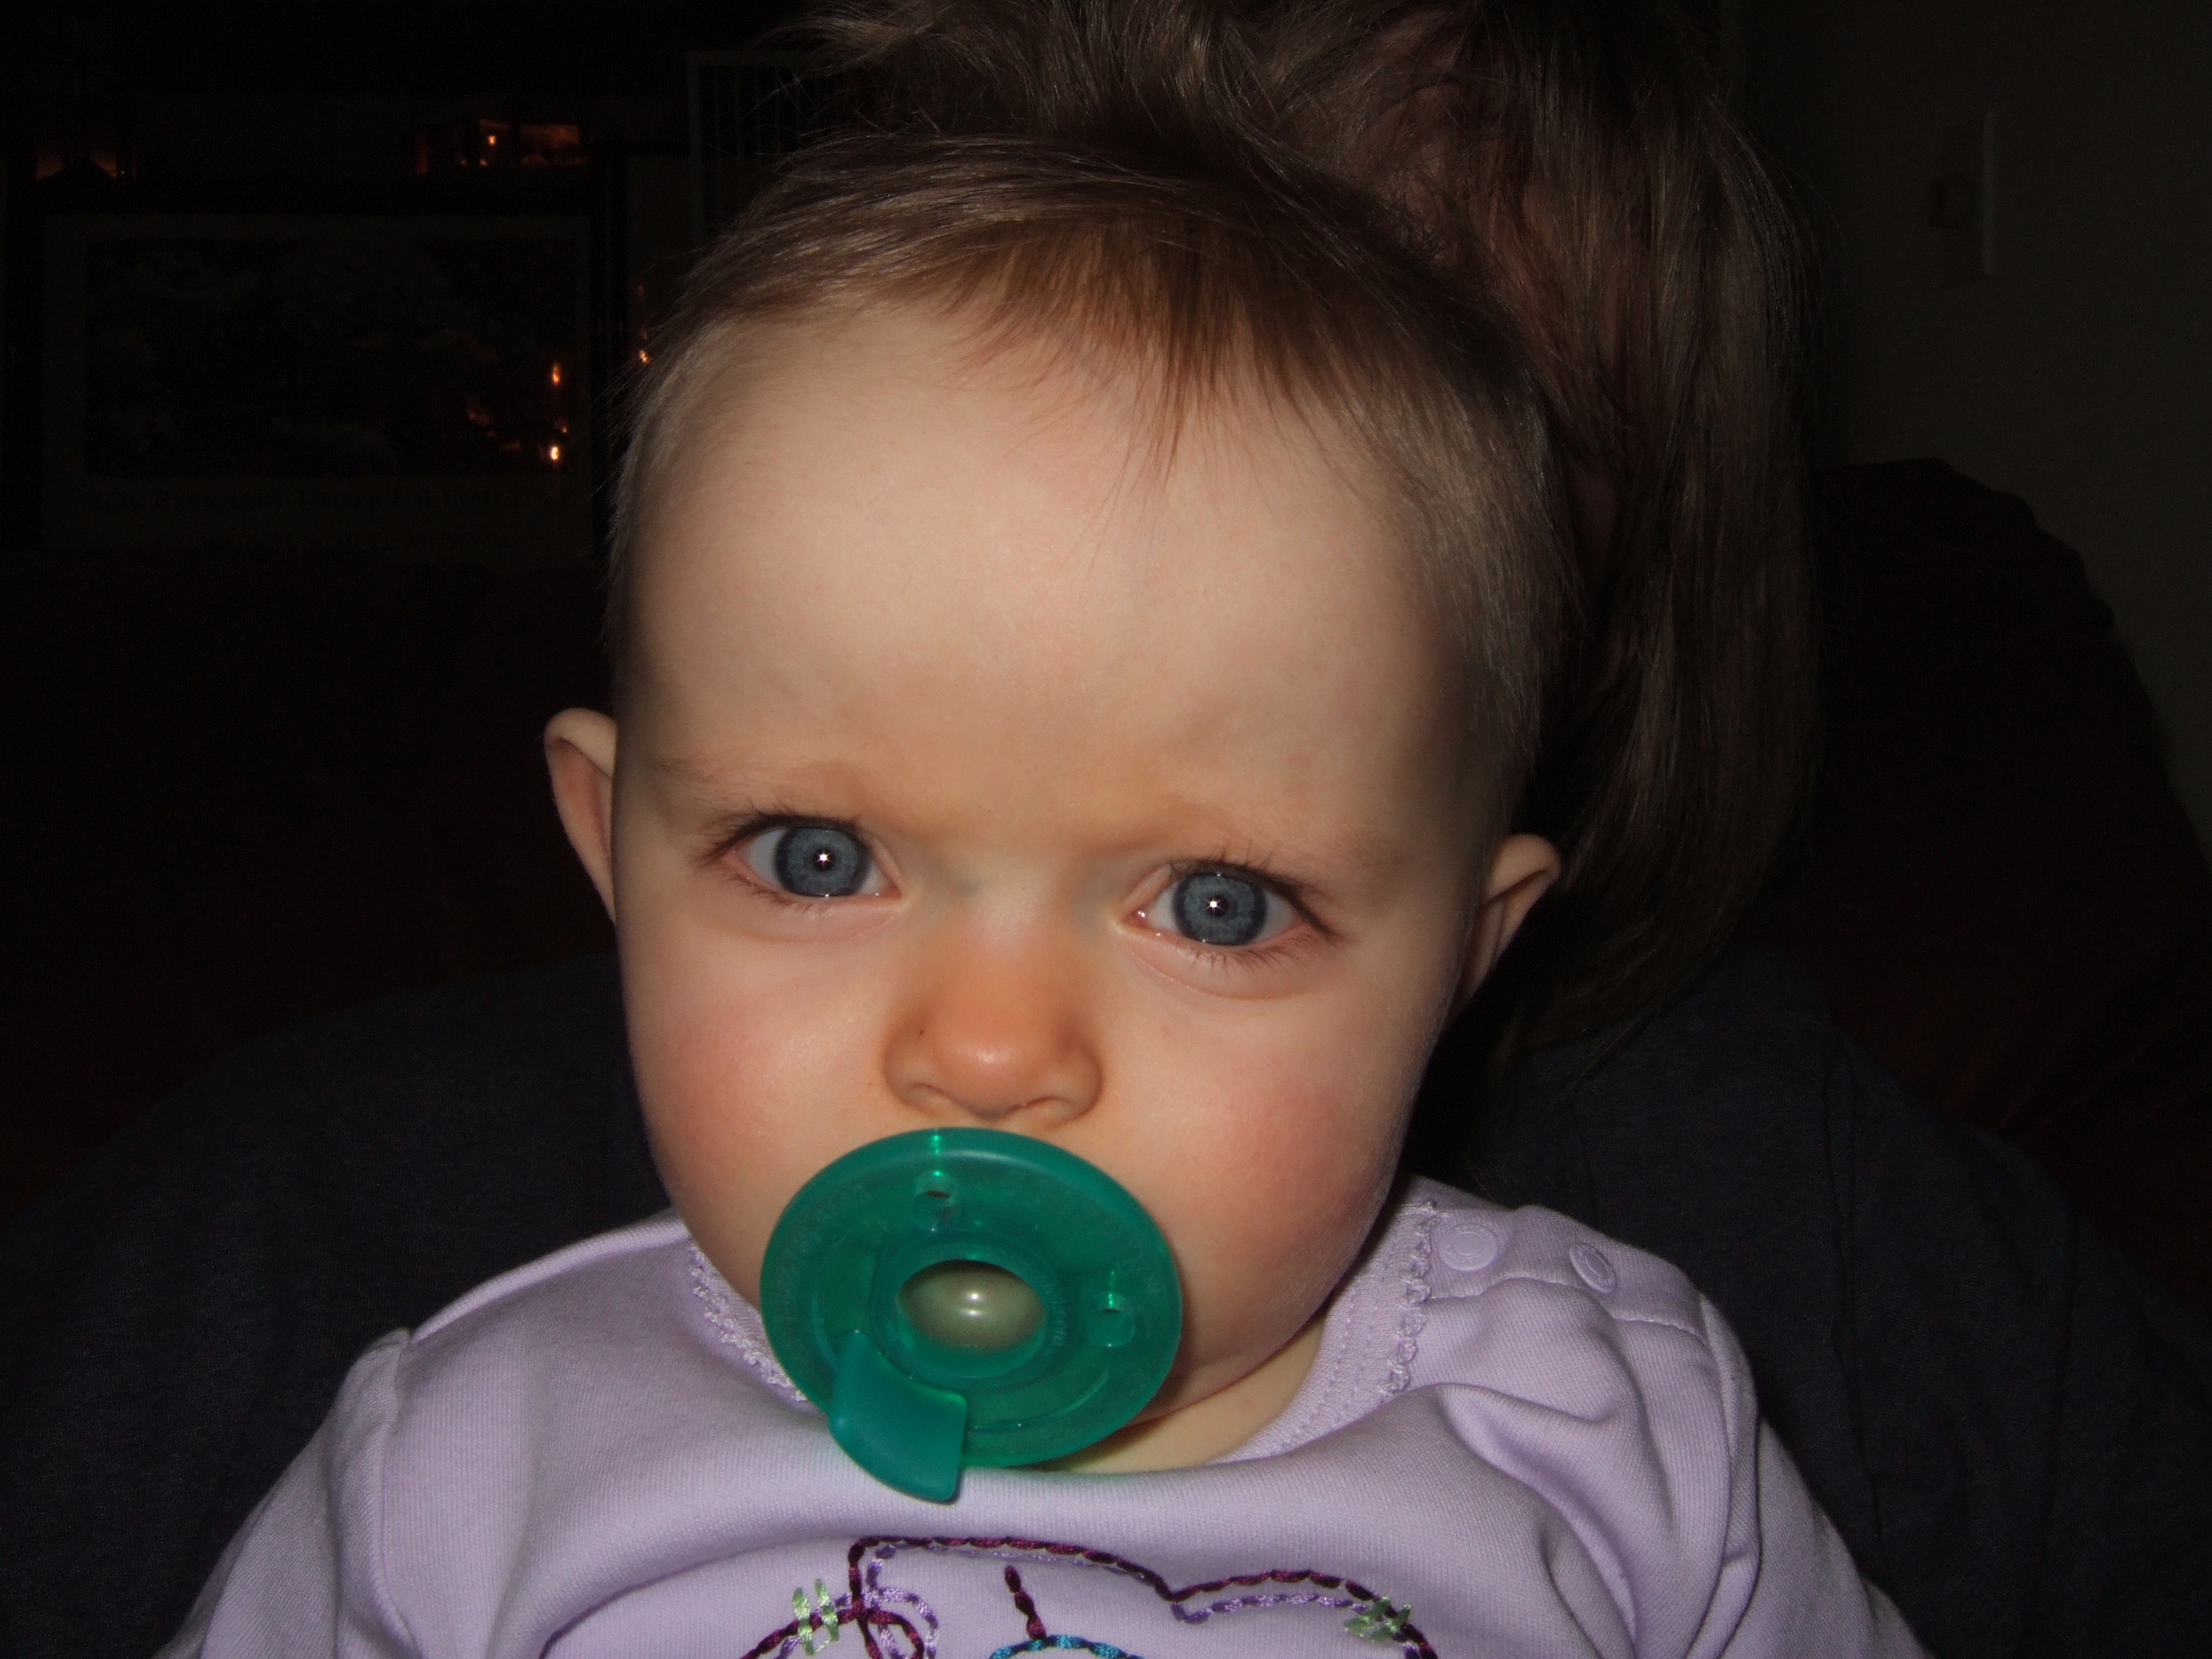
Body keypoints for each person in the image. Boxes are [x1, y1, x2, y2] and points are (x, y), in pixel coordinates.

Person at [155, 2, 1920, 1654]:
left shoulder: (1611, 1432)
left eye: (1219, 905)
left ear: (1462, 955)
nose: (991, 1053)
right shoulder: (464, 1461)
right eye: (818, 858)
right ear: (613, 844)